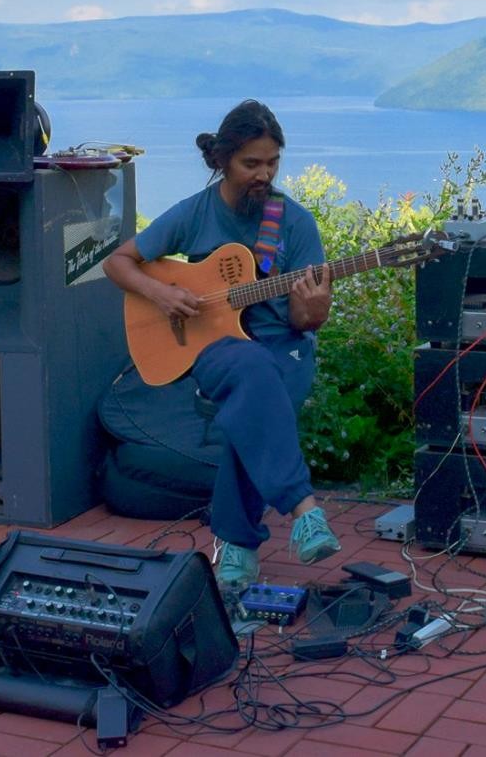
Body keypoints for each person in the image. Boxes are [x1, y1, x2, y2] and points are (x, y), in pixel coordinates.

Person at [102, 99, 342, 591]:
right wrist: (162, 292)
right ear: (222, 162)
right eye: (251, 163)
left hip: (285, 344)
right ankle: (303, 507)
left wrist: (313, 307)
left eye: (272, 162)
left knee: (250, 407)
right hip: (213, 345)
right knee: (252, 374)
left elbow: (307, 319)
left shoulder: (294, 224)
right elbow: (118, 263)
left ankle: (234, 546)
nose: (264, 174)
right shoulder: (195, 213)